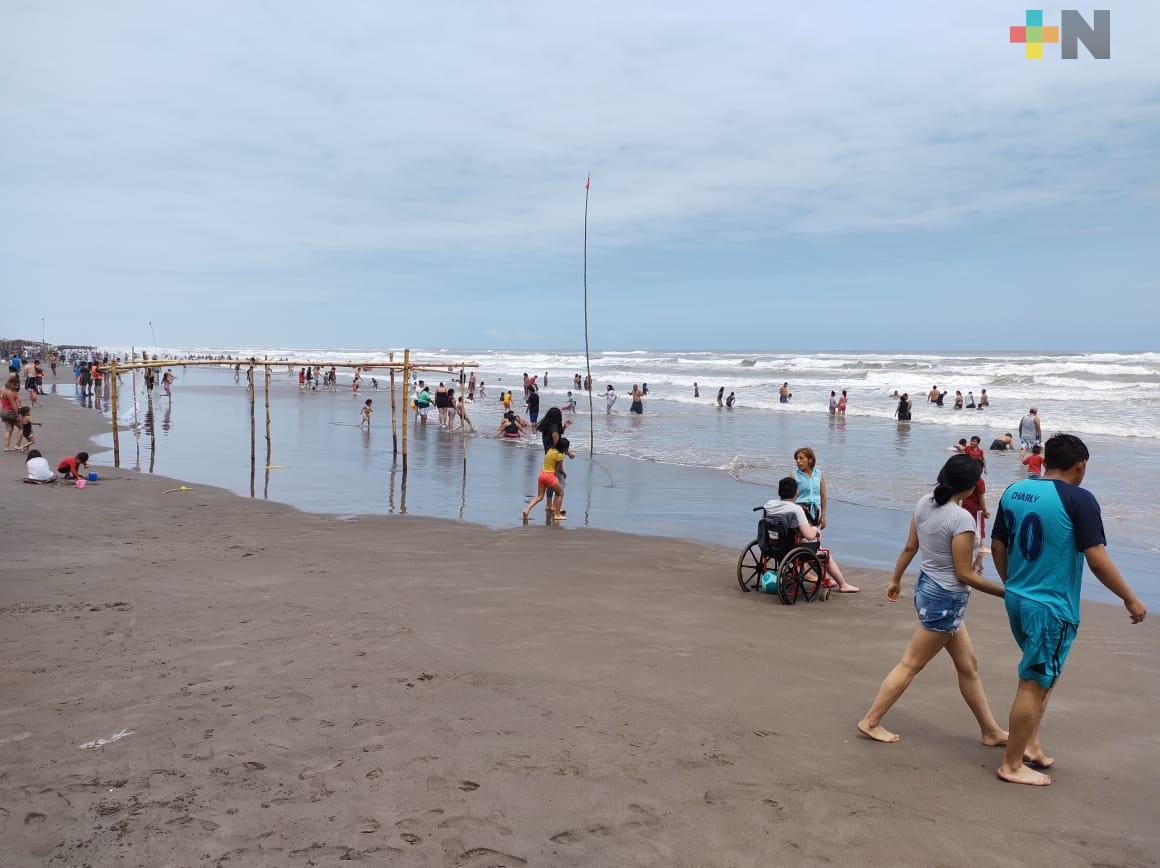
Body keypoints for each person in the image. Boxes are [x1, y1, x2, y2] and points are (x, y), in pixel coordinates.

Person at [992, 434, 1146, 786]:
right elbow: (1097, 559)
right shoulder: (1080, 499)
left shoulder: (1015, 490)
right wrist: (1129, 598)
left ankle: (1030, 744)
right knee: (1034, 681)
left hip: (1017, 597)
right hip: (1050, 606)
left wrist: (1012, 584)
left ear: (1046, 460)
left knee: (1044, 673)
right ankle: (1011, 764)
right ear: (1080, 465)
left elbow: (998, 545)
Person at [857, 454, 1008, 745]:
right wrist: (1006, 593)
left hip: (927, 589)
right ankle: (871, 721)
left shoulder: (924, 502)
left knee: (968, 665)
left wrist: (895, 579)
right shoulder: (961, 519)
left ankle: (991, 731)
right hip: (945, 600)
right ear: (971, 487)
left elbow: (910, 546)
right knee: (910, 664)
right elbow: (964, 573)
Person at [763, 477, 859, 593]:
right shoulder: (796, 509)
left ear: (779, 492)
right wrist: (815, 529)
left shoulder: (769, 505)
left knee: (806, 544)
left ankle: (823, 578)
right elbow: (809, 535)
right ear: (796, 493)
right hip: (791, 547)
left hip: (772, 544)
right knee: (822, 552)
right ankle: (843, 584)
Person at [522, 437, 573, 522]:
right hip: (550, 476)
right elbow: (559, 469)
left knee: (539, 496)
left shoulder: (550, 450)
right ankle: (557, 515)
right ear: (564, 447)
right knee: (560, 493)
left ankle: (526, 509)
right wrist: (564, 474)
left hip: (542, 475)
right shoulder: (559, 455)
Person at [538, 407, 572, 515]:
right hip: (555, 458)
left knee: (551, 481)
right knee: (561, 482)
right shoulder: (554, 431)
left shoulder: (547, 426)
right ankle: (555, 506)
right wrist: (569, 453)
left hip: (548, 456)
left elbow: (555, 440)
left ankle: (549, 505)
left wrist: (564, 427)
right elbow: (559, 445)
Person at [793, 447, 827, 528]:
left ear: (810, 460)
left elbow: (823, 496)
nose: (798, 461)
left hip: (815, 512)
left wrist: (823, 516)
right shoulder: (794, 475)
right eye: (796, 459)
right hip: (800, 511)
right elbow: (790, 497)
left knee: (813, 534)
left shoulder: (818, 474)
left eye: (801, 458)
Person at [1, 374, 21, 451]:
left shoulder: (3, 389)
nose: (16, 386)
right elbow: (13, 404)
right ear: (12, 384)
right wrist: (18, 414)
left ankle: (7, 447)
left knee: (8, 429)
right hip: (10, 412)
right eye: (15, 385)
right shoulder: (9, 392)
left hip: (3, 411)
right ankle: (17, 445)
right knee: (22, 427)